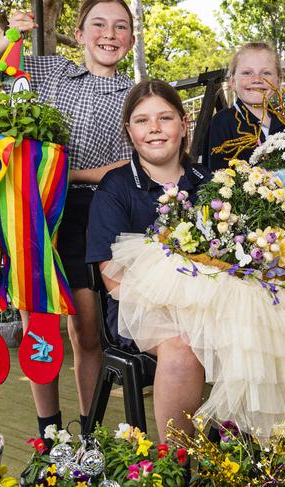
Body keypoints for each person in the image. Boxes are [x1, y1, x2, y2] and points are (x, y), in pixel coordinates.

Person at [0, 0, 135, 444]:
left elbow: (132, 164)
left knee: (84, 328)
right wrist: (12, 34)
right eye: (98, 24)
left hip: (91, 211)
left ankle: (88, 434)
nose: (109, 33)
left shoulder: (136, 94)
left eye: (121, 27)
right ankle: (49, 435)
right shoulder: (51, 72)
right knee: (38, 323)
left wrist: (69, 172)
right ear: (78, 35)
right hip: (34, 209)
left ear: (131, 40)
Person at [86, 79, 211, 439]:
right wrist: (174, 310)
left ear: (184, 124)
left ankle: (258, 456)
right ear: (129, 130)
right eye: (142, 121)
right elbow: (112, 277)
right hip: (136, 306)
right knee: (183, 345)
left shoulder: (209, 181)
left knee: (259, 327)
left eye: (165, 118)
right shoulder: (116, 186)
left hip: (213, 299)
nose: (154, 129)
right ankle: (179, 462)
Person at [203, 42, 285, 171]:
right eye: (247, 73)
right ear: (232, 82)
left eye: (266, 73)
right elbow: (214, 181)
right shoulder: (222, 123)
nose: (257, 79)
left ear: (279, 81)